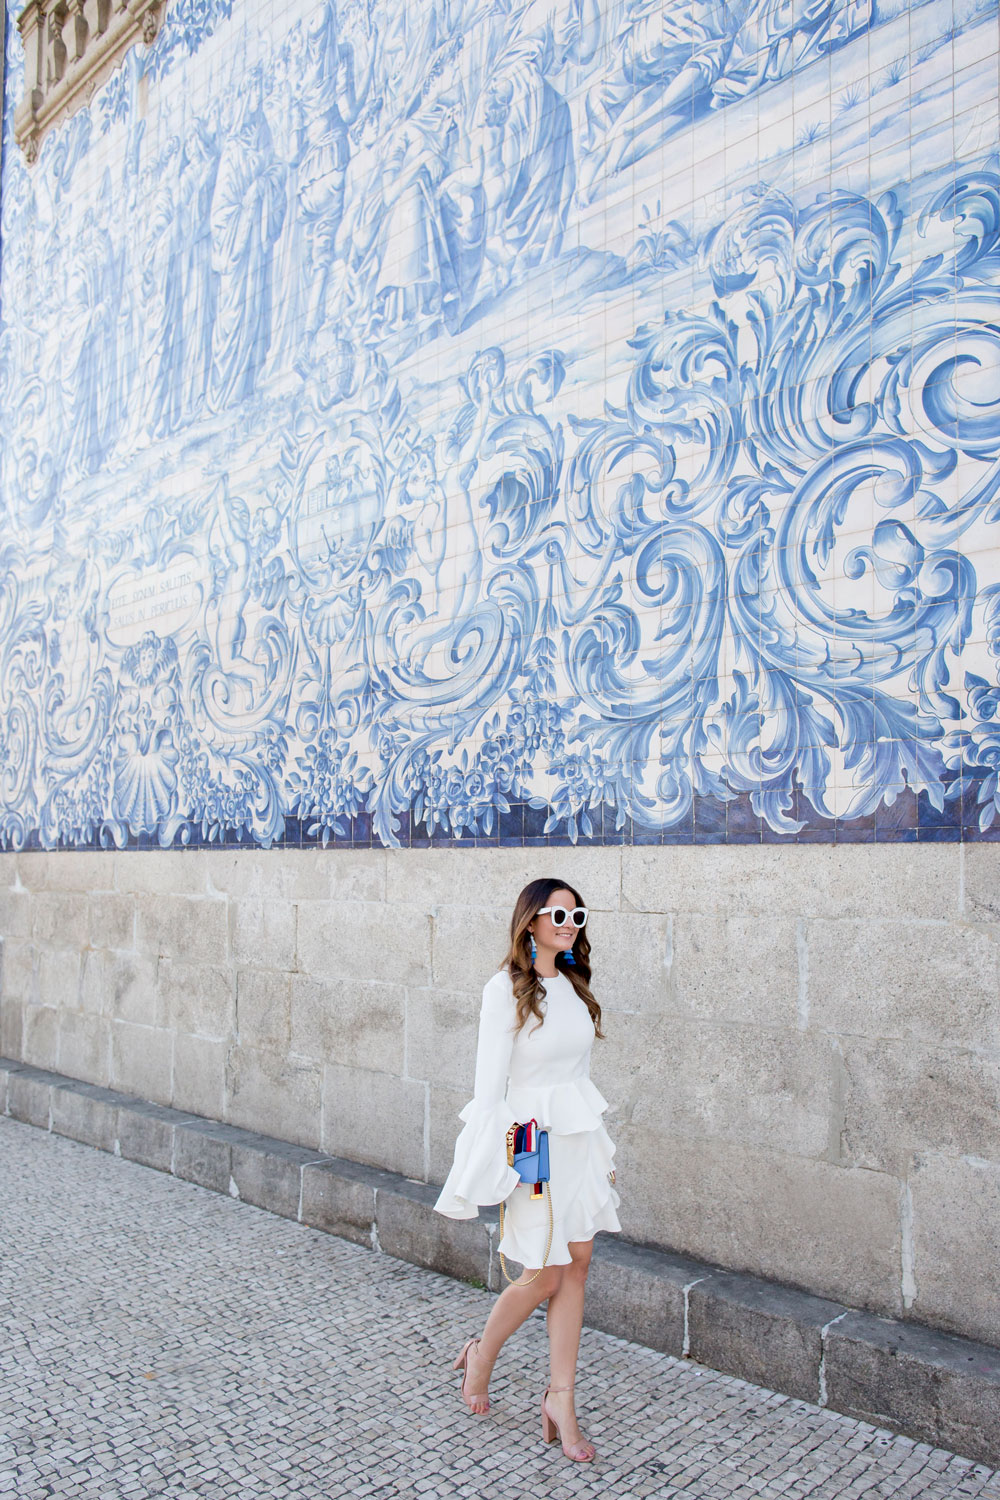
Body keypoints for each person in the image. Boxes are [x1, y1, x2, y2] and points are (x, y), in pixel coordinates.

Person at [434, 878, 621, 1463]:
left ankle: (560, 1397)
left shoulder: (574, 985)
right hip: (532, 1144)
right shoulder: (505, 990)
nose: (570, 922)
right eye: (558, 913)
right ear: (531, 920)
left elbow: (578, 1075)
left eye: (577, 914)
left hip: (578, 1137)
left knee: (578, 1267)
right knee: (541, 1273)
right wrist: (493, 1161)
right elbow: (490, 1089)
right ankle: (482, 1352)